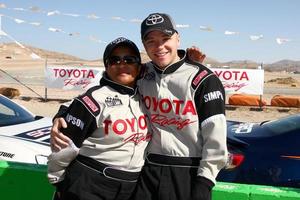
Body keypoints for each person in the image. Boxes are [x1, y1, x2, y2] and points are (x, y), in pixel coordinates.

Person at [131, 13, 228, 200]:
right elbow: (106, 92)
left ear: (178, 39)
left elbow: (215, 136)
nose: (159, 47)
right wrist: (65, 111)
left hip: (188, 171)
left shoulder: (203, 78)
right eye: (150, 41)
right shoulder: (141, 74)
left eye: (166, 38)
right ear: (144, 45)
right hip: (147, 170)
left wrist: (205, 182)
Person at [47, 37, 152, 200]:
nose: (122, 65)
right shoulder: (94, 99)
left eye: (129, 60)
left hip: (132, 187)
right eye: (114, 60)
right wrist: (59, 181)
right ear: (106, 66)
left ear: (139, 67)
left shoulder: (148, 95)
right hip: (90, 183)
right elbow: (64, 148)